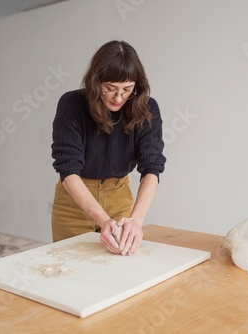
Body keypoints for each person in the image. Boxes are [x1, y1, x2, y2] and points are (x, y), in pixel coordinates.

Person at [51, 40, 166, 256]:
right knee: (70, 269)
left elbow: (152, 167)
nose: (118, 97)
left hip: (119, 198)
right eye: (110, 88)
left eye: (127, 89)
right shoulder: (71, 105)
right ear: (96, 82)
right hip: (74, 200)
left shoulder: (147, 108)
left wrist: (135, 220)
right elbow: (68, 170)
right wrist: (103, 220)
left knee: (119, 269)